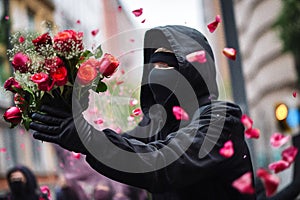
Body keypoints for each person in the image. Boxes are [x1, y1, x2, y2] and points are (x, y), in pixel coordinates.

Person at [29, 25, 256, 199]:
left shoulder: (221, 120)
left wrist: (86, 138)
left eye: (167, 65)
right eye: (154, 66)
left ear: (194, 71)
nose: (157, 73)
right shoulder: (155, 126)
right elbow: (121, 151)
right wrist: (67, 108)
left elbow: (161, 165)